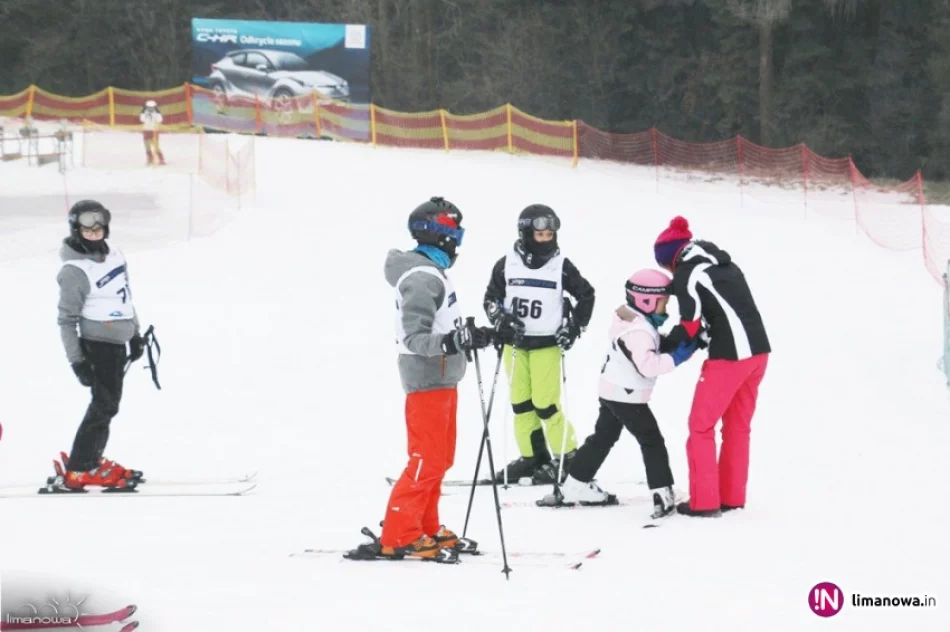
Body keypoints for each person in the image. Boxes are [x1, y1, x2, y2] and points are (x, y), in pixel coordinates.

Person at [352, 197, 493, 562]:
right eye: (455, 233)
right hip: (428, 376)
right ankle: (400, 533)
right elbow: (415, 337)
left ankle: (425, 526)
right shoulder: (421, 277)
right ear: (442, 235)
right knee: (425, 458)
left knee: (440, 459)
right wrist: (452, 341)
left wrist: (474, 335)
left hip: (443, 376)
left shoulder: (432, 272)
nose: (458, 242)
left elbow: (445, 327)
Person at [538, 269, 696, 517]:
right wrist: (678, 356)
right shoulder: (638, 331)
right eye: (663, 303)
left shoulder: (632, 320)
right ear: (646, 300)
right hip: (627, 396)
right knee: (651, 441)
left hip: (612, 391)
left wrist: (673, 340)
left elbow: (648, 344)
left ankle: (574, 486)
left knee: (602, 438)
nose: (666, 309)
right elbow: (647, 365)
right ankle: (662, 493)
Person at [653, 216, 771, 518]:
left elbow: (689, 325)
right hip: (758, 353)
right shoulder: (724, 264)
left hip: (728, 358)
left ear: (670, 260)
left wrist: (663, 344)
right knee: (737, 427)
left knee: (700, 426)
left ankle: (704, 501)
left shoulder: (687, 274)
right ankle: (732, 496)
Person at [483, 204, 595, 485]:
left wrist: (574, 327)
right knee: (521, 403)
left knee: (545, 404)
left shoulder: (561, 265)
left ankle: (568, 456)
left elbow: (586, 295)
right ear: (525, 234)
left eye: (549, 235)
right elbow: (491, 298)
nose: (546, 240)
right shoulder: (507, 263)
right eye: (540, 235)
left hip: (546, 344)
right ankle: (533, 456)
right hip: (515, 344)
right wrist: (500, 318)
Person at [53, 200, 145, 491]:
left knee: (106, 406)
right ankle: (81, 468)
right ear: (76, 228)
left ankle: (90, 459)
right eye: (87, 225)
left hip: (117, 343)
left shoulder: (115, 255)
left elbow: (124, 298)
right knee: (104, 405)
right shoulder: (74, 271)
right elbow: (66, 320)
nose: (94, 230)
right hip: (98, 346)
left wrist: (135, 334)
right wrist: (77, 361)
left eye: (99, 224)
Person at [140, 100, 166, 166]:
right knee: (147, 145)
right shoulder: (144, 113)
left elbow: (160, 120)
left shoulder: (157, 113)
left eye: (152, 107)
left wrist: (157, 114)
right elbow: (142, 120)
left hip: (154, 130)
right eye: (149, 107)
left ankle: (161, 159)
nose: (150, 109)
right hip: (146, 130)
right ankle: (150, 159)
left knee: (155, 145)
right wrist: (143, 113)